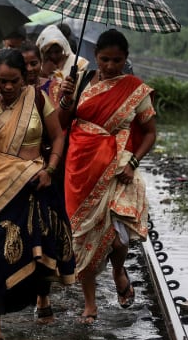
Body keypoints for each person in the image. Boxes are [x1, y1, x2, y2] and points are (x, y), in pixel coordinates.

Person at [0, 49, 75, 340]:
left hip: (35, 185)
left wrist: (50, 169)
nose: (9, 87)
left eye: (14, 80)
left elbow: (57, 136)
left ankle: (42, 301)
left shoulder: (38, 98)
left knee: (38, 249)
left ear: (24, 78)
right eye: (2, 81)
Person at [58, 29, 157, 323]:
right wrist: (65, 98)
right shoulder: (82, 81)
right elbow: (63, 123)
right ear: (95, 57)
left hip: (118, 168)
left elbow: (150, 133)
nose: (110, 66)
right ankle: (90, 305)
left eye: (117, 60)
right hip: (80, 167)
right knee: (83, 235)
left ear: (126, 59)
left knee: (116, 236)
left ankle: (117, 270)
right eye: (104, 59)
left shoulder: (135, 89)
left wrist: (133, 163)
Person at [35, 24, 89, 105]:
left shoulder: (78, 63)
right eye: (49, 52)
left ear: (63, 48)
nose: (53, 56)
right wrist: (44, 73)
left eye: (57, 51)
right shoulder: (40, 67)